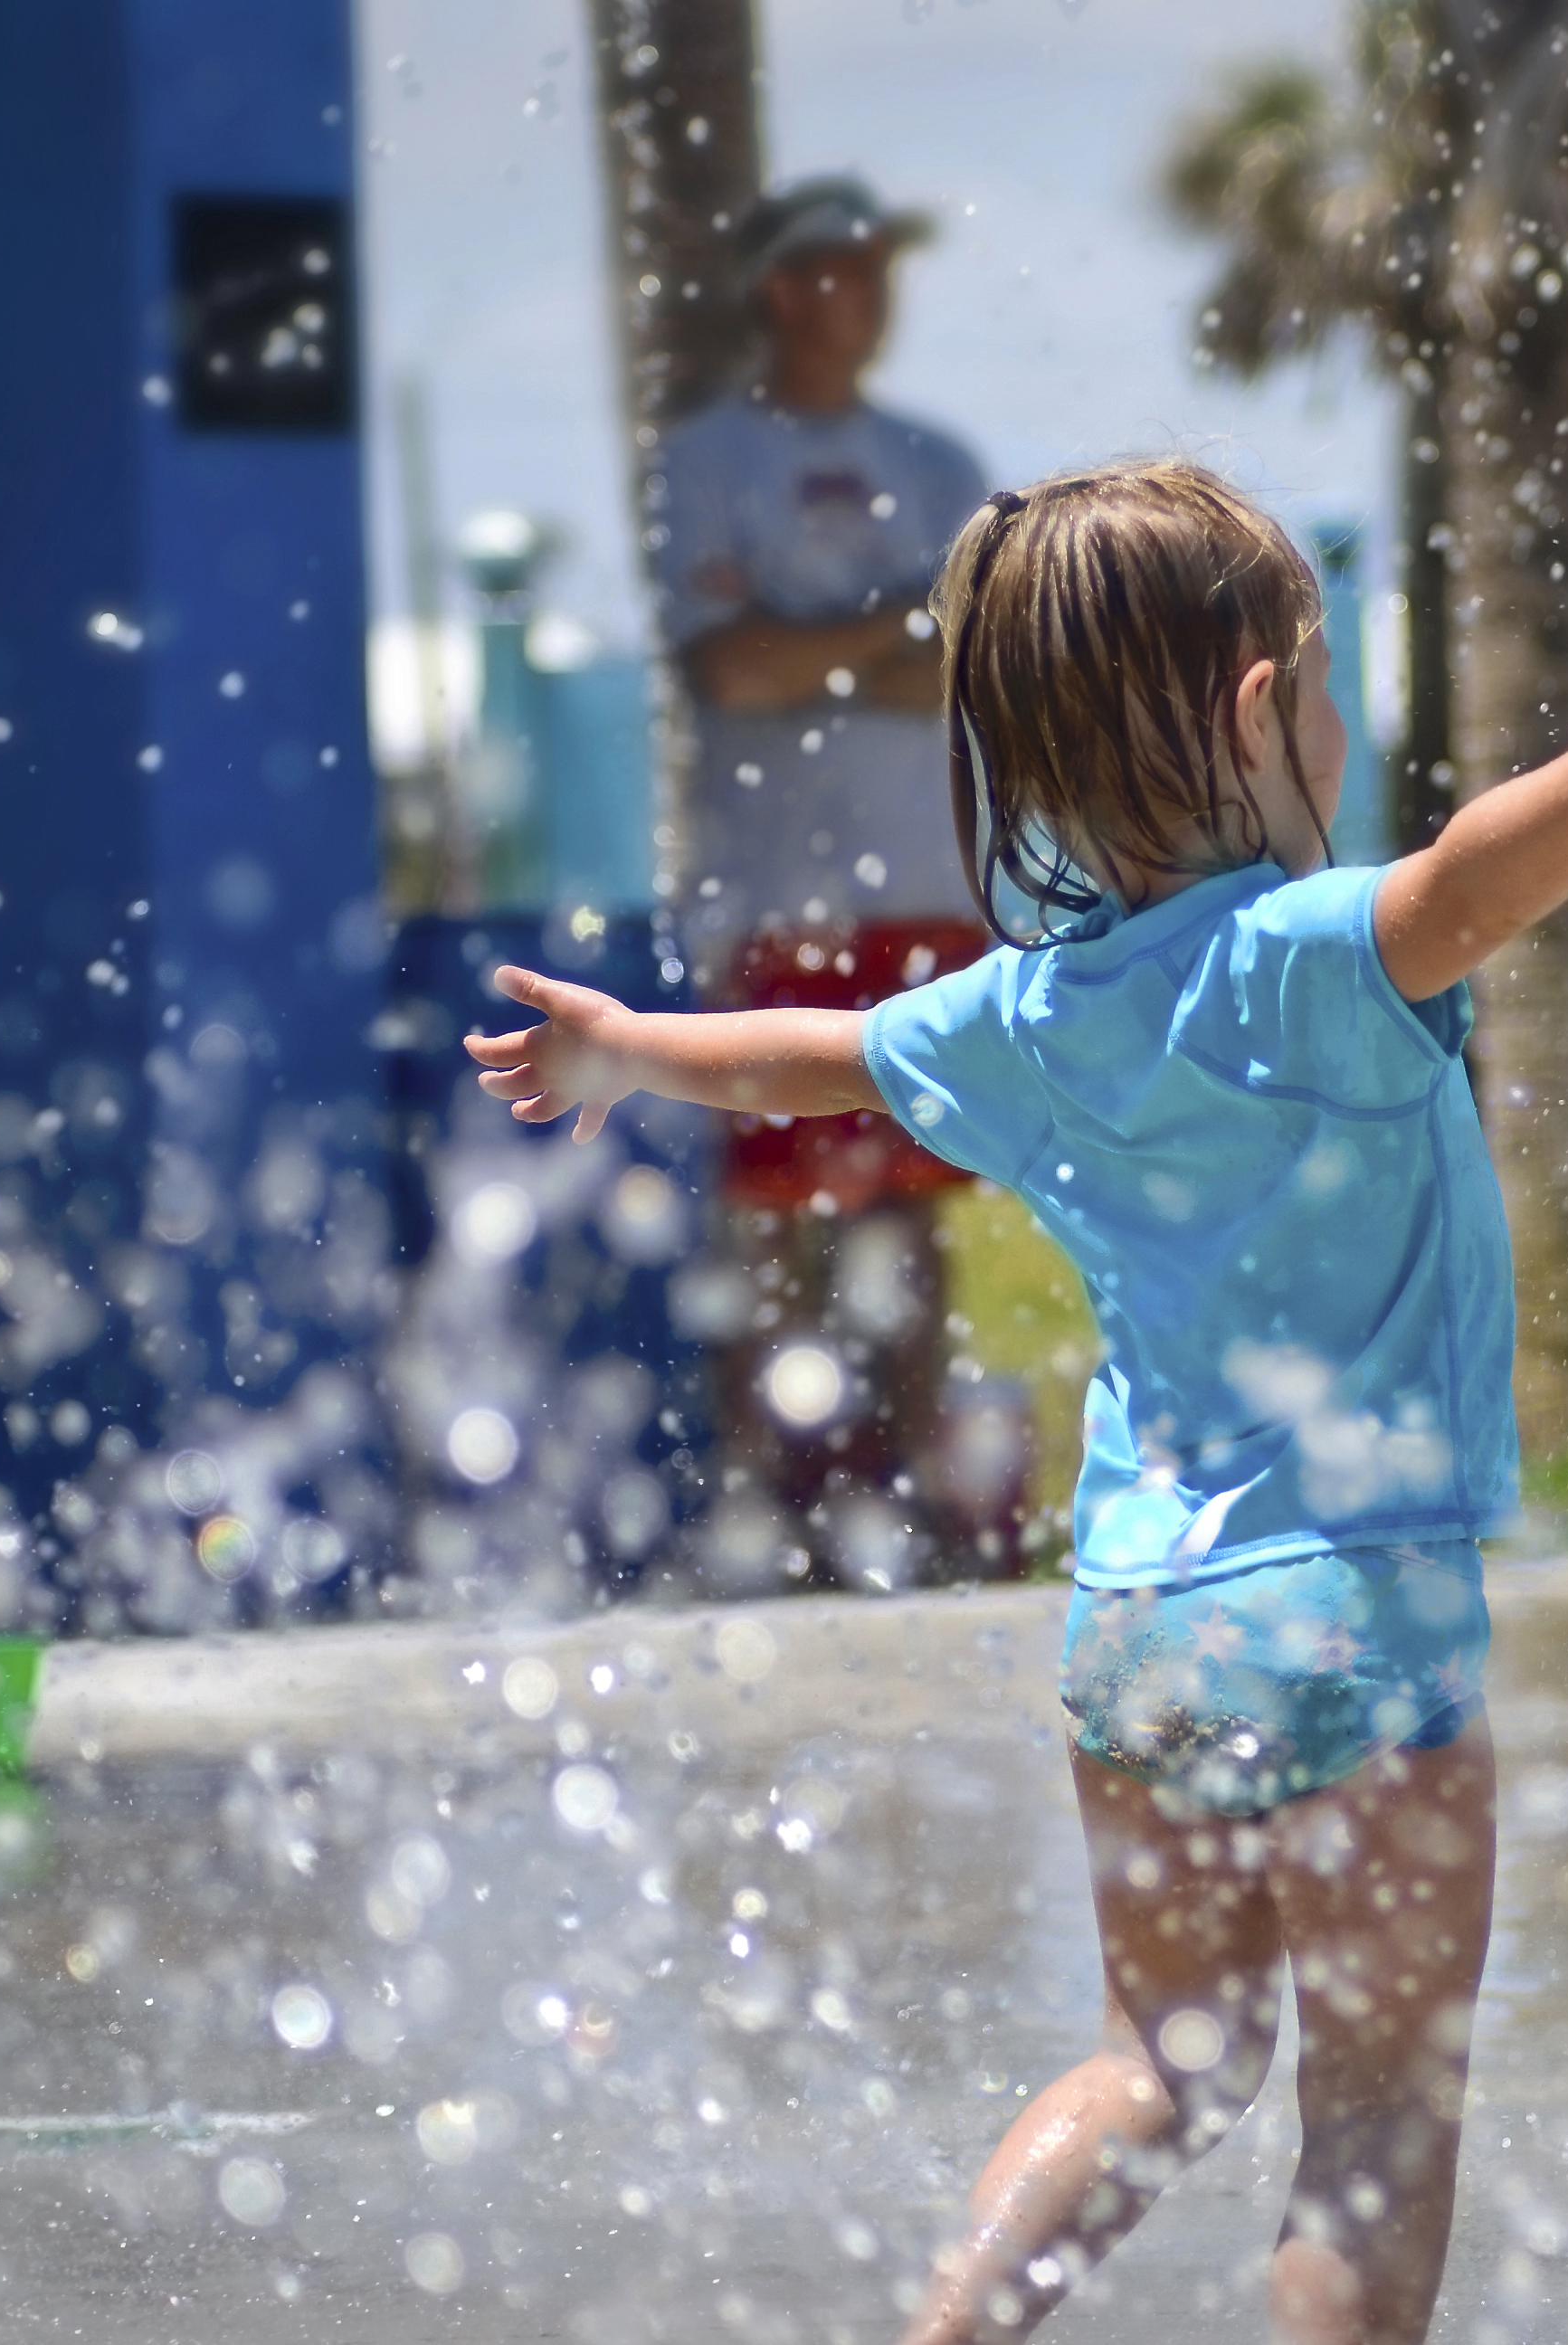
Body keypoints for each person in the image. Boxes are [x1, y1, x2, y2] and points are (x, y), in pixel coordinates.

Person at [467, 460, 1568, 2344]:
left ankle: (956, 2325)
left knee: (1160, 2061)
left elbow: (820, 1062)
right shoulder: (1309, 960)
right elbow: (1472, 878)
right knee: (1370, 2109)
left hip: (1136, 1634)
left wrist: (623, 1049)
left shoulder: (1024, 1014)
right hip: (1353, 1620)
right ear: (1258, 712)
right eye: (1316, 681)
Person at [650, 175, 994, 1583]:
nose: (870, 292)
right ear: (781, 289)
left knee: (907, 1215)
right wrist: (882, 638)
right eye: (843, 269)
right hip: (775, 898)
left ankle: (907, 1505)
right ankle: (776, 1520)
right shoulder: (711, 458)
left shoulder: (939, 455)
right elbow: (727, 667)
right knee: (776, 1217)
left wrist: (819, 647)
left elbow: (966, 669)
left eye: (879, 267)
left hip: (922, 888)